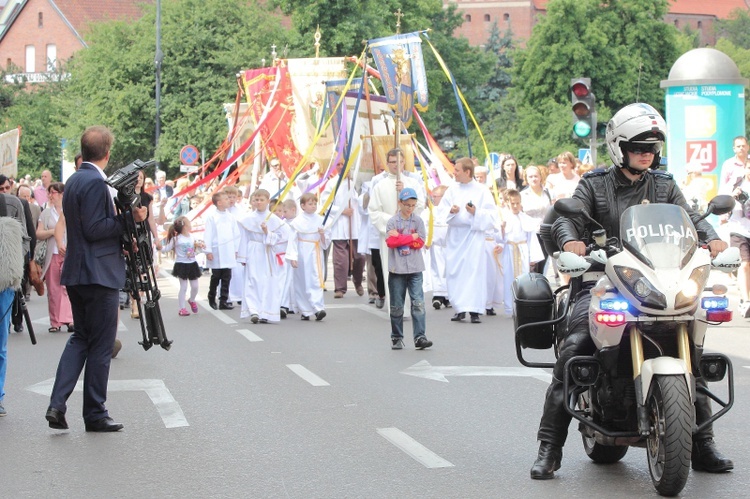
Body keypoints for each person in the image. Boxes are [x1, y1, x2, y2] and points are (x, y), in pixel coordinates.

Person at [530, 103, 733, 479]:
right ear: (619, 146)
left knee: (692, 346)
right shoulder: (594, 184)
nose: (647, 153)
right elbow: (566, 221)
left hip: (658, 282)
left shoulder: (665, 185)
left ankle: (702, 445)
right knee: (575, 349)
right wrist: (572, 241)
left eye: (653, 147)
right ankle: (549, 447)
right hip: (600, 280)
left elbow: (690, 220)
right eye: (639, 146)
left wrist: (713, 239)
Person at [45, 125, 147, 432]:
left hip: (78, 271)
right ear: (107, 153)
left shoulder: (76, 179)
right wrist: (130, 219)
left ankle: (57, 404)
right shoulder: (94, 181)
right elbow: (95, 229)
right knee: (101, 345)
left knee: (81, 339)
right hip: (98, 273)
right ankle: (95, 413)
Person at [437, 157, 495, 324]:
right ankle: (459, 308)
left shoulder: (482, 190)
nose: (454, 173)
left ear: (467, 172)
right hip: (456, 236)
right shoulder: (451, 190)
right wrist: (451, 210)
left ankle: (475, 310)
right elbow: (441, 211)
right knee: (455, 272)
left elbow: (491, 215)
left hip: (473, 236)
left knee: (474, 272)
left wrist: (476, 212)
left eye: (457, 170)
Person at [367, 148, 425, 309]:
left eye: (399, 161)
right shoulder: (380, 185)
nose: (396, 165)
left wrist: (405, 192)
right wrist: (392, 222)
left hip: (409, 234)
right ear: (387, 163)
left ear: (404, 162)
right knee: (392, 270)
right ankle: (397, 307)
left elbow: (420, 207)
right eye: (392, 162)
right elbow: (373, 211)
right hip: (391, 234)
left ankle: (414, 304)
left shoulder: (412, 183)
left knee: (411, 270)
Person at [385, 187, 432, 350]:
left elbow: (420, 243)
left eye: (412, 205)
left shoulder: (418, 221)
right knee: (397, 305)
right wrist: (410, 237)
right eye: (407, 205)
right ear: (400, 203)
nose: (409, 208)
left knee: (418, 303)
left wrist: (400, 237)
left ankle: (420, 336)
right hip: (397, 269)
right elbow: (390, 243)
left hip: (415, 268)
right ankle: (397, 336)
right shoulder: (392, 222)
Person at [237, 189, 286, 324]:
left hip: (267, 252)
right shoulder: (247, 219)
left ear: (268, 201)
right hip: (253, 250)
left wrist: (267, 232)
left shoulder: (274, 220)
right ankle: (254, 310)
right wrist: (242, 257)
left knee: (267, 281)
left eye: (261, 200)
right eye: (256, 200)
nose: (258, 203)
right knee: (252, 280)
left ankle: (265, 312)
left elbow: (279, 238)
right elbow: (244, 238)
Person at [0, 188, 27, 417]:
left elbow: (25, 239)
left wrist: (17, 272)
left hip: (4, 283)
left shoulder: (11, 203)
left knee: (0, 345)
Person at [497, 189, 543, 315]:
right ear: (507, 203)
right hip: (509, 251)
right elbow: (499, 238)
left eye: (518, 203)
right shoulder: (503, 218)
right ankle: (509, 307)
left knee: (523, 278)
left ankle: (522, 306)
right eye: (513, 204)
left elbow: (531, 239)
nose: (516, 206)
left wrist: (533, 257)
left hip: (522, 251)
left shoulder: (525, 219)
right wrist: (501, 228)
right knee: (509, 278)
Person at [322, 163, 365, 299]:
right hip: (340, 225)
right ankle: (340, 288)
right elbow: (325, 203)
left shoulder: (355, 182)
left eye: (344, 164)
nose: (342, 167)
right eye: (339, 164)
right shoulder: (332, 184)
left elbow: (363, 201)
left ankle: (357, 281)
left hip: (355, 225)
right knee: (340, 260)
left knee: (359, 257)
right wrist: (341, 211)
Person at [286, 193, 331, 321]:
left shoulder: (321, 220)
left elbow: (326, 240)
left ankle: (318, 308)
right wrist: (293, 257)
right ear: (303, 206)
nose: (313, 206)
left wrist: (322, 235)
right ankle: (305, 310)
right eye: (310, 204)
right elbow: (292, 240)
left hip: (315, 252)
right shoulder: (297, 222)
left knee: (316, 279)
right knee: (301, 281)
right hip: (301, 252)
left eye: (315, 204)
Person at [36, 182, 74, 333]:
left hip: (69, 253)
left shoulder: (70, 211)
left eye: (54, 193)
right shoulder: (46, 213)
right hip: (53, 254)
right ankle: (55, 321)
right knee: (54, 289)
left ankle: (70, 319)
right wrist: (54, 231)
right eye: (49, 193)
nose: (51, 196)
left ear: (62, 194)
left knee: (68, 287)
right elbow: (39, 233)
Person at [721, 159, 750, 317]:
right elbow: (724, 201)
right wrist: (733, 196)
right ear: (745, 168)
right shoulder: (736, 184)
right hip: (739, 229)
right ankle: (746, 301)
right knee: (744, 264)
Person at [204, 191, 240, 310]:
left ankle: (223, 300)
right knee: (216, 276)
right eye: (226, 198)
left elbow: (236, 233)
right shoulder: (212, 217)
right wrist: (208, 250)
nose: (229, 200)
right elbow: (208, 234)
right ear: (219, 203)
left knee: (227, 276)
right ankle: (211, 296)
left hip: (228, 250)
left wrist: (236, 249)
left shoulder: (230, 216)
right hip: (217, 250)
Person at [161, 216, 203, 316]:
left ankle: (192, 300)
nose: (190, 224)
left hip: (192, 264)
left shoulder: (193, 237)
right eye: (189, 222)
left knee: (195, 286)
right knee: (183, 287)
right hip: (181, 264)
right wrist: (158, 246)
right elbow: (166, 249)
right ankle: (182, 308)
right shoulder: (176, 239)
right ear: (185, 226)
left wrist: (202, 247)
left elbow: (198, 248)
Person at [520, 165, 553, 274]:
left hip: (545, 231)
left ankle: (540, 285)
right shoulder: (522, 195)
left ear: (540, 177)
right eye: (530, 177)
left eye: (536, 176)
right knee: (532, 265)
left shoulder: (548, 192)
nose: (534, 179)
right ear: (526, 179)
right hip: (531, 233)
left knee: (543, 262)